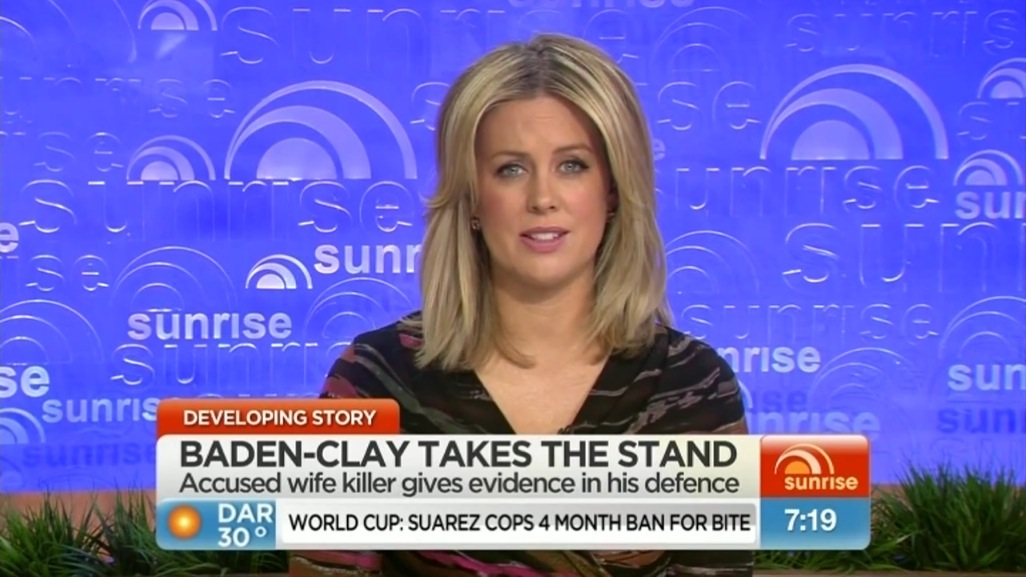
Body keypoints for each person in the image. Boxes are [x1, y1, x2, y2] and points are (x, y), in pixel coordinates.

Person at [290, 33, 754, 577]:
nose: (542, 198)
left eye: (572, 165)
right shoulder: (375, 379)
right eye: (511, 168)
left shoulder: (691, 387)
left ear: (612, 190)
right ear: (471, 197)